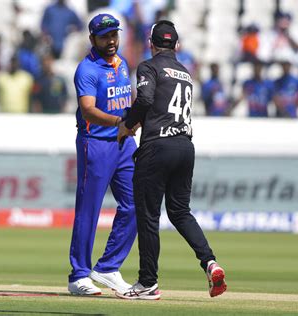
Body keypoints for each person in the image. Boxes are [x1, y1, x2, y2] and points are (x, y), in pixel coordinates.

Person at [116, 20, 227, 300]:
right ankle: (209, 262)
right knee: (180, 212)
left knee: (148, 216)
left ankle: (147, 283)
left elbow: (145, 98)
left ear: (150, 43)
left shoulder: (148, 66)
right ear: (176, 45)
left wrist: (128, 124)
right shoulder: (186, 73)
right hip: (185, 146)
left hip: (157, 146)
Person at [68, 13, 137, 296]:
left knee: (137, 203)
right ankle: (79, 276)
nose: (111, 41)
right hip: (95, 144)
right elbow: (88, 110)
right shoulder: (87, 70)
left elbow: (127, 99)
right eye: (105, 36)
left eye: (114, 35)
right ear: (92, 39)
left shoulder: (122, 64)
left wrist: (134, 117)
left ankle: (108, 267)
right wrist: (119, 123)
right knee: (89, 209)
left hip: (123, 145)